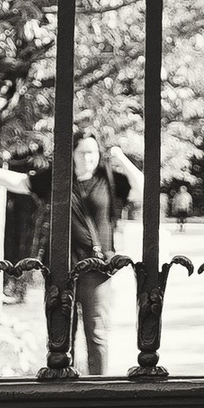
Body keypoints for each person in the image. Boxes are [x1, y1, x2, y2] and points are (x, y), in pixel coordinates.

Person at [68, 131, 118, 376]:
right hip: (63, 269)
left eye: (93, 152)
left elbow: (143, 187)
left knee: (96, 334)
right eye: (82, 152)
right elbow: (22, 183)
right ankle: (63, 386)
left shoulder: (107, 179)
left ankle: (97, 387)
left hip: (96, 272)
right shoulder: (60, 180)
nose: (88, 157)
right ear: (73, 154)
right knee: (62, 335)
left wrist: (120, 157)